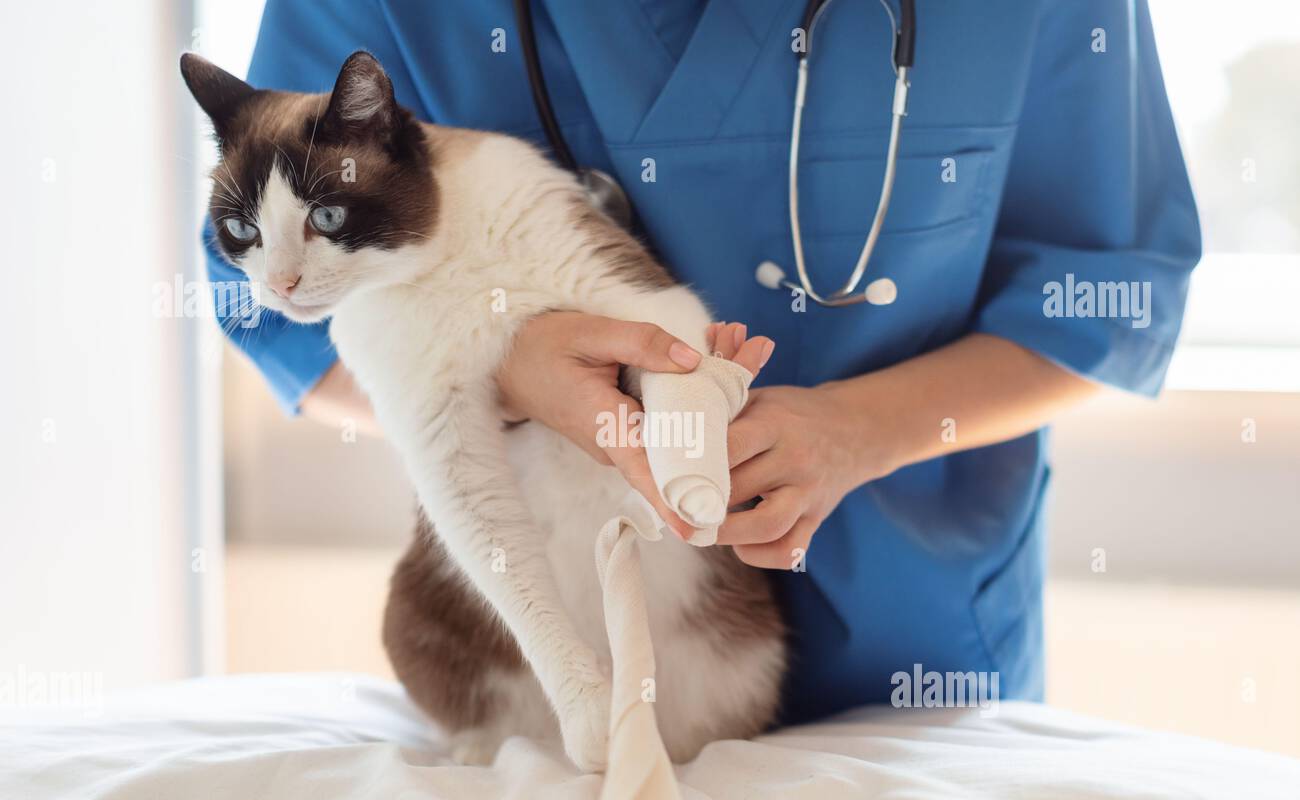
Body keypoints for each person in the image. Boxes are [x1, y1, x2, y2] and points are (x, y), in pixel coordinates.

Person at [203, 0, 1200, 725]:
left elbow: (1105, 292)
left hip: (916, 651)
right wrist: (504, 375)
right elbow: (277, 311)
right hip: (549, 676)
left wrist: (867, 427)